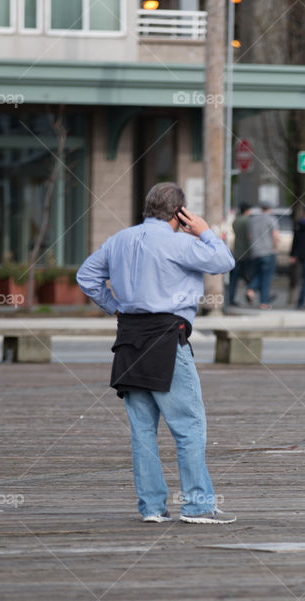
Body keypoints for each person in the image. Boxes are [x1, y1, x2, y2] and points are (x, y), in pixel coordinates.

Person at [76, 182, 237, 525]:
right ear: (180, 214)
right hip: (167, 338)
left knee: (142, 430)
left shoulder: (119, 240)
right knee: (188, 427)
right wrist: (205, 231)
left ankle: (152, 508)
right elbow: (224, 262)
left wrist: (114, 307)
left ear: (146, 208)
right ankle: (197, 506)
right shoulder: (182, 243)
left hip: (129, 338)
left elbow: (86, 276)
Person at [247, 202, 278, 309]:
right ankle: (264, 302)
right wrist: (275, 246)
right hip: (268, 251)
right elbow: (275, 235)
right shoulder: (271, 219)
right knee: (266, 278)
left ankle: (251, 289)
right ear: (269, 208)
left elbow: (250, 236)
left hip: (255, 251)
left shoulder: (253, 220)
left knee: (259, 274)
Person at [227, 202, 254, 306]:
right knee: (249, 277)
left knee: (234, 279)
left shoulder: (235, 221)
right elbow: (250, 236)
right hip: (247, 253)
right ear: (247, 210)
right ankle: (250, 294)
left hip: (237, 253)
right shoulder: (248, 221)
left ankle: (230, 298)